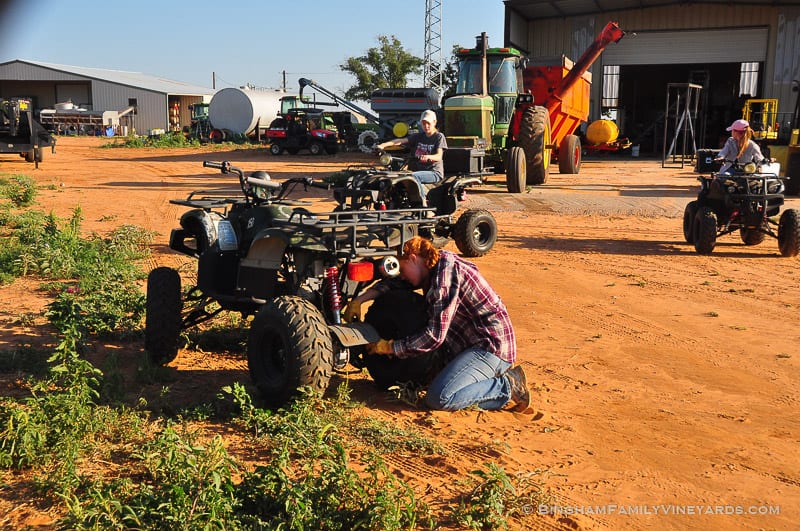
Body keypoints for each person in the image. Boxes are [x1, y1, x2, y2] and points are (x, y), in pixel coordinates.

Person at [343, 236, 532, 413]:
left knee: (439, 398)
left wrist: (390, 347)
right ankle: (482, 378)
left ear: (413, 258)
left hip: (490, 347)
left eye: (402, 269)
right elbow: (394, 284)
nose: (402, 276)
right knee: (438, 384)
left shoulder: (444, 277)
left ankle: (507, 386)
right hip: (466, 345)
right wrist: (359, 300)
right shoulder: (430, 267)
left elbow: (434, 336)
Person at [376, 110, 447, 185]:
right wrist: (383, 145)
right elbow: (400, 141)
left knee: (413, 177)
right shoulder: (418, 136)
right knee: (397, 177)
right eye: (424, 123)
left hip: (434, 172)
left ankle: (421, 197)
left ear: (434, 122)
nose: (426, 126)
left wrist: (428, 157)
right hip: (418, 171)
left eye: (428, 123)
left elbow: (439, 156)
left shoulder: (439, 136)